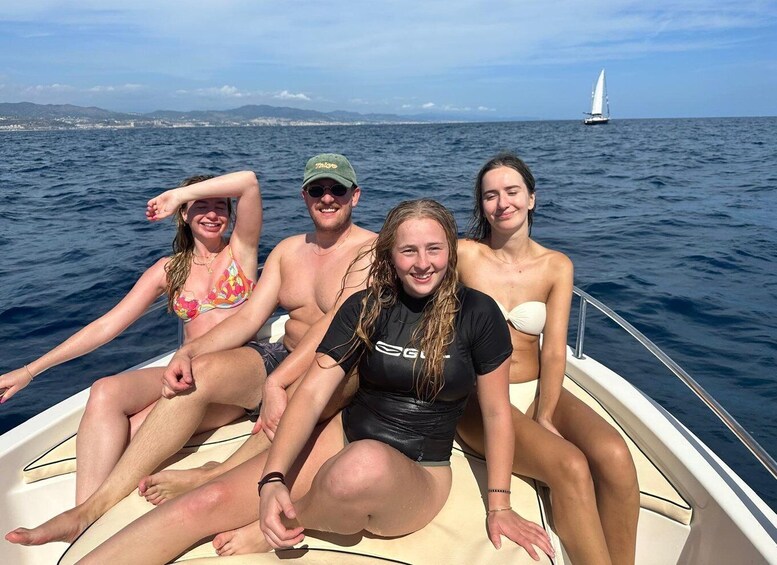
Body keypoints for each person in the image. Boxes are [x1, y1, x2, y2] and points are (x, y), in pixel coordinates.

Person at [65, 199, 555, 565]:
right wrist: (273, 477)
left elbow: (496, 413)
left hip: (418, 469)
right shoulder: (366, 307)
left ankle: (292, 519)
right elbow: (315, 392)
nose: (422, 262)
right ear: (390, 255)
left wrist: (499, 505)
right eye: (408, 250)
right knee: (208, 501)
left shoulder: (478, 314)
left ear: (451, 250)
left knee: (361, 467)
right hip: (343, 437)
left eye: (433, 249)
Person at [5, 153, 376, 549]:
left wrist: (277, 384)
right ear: (304, 196)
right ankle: (87, 512)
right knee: (138, 386)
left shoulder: (367, 250)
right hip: (271, 358)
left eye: (337, 189)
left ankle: (212, 473)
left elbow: (334, 324)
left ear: (354, 196)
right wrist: (188, 352)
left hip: (331, 364)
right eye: (317, 189)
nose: (327, 197)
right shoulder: (285, 250)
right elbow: (250, 316)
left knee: (142, 431)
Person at [0, 171, 262, 504]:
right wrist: (30, 370)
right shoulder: (169, 270)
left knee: (135, 432)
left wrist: (180, 194)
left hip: (231, 381)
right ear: (185, 216)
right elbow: (108, 325)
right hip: (186, 373)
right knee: (104, 390)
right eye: (201, 206)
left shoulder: (241, 251)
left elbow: (248, 183)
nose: (212, 214)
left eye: (220, 206)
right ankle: (84, 513)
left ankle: (88, 514)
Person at [456, 152, 639, 565]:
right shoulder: (464, 255)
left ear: (532, 198)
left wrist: (546, 413)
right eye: (490, 195)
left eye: (512, 191)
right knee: (570, 466)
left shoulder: (556, 265)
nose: (502, 203)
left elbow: (554, 349)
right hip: (478, 399)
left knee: (616, 457)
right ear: (481, 205)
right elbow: (414, 262)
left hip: (535, 387)